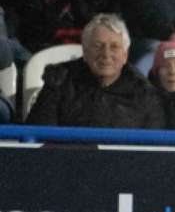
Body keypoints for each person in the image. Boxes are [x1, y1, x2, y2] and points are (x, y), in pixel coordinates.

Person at [29, 13, 165, 128]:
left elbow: (152, 150)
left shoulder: (144, 93)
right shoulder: (59, 81)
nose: (106, 54)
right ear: (85, 52)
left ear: (125, 55)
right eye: (98, 46)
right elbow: (39, 134)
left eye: (114, 47)